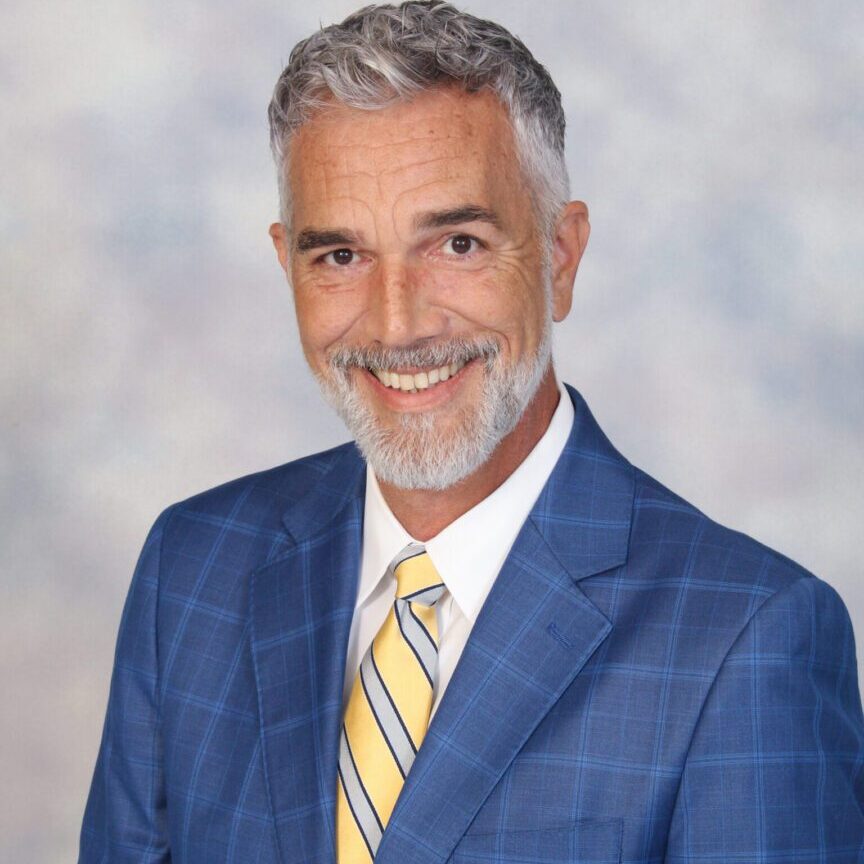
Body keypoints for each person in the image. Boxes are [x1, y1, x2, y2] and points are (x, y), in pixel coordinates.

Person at [79, 2, 864, 862]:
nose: (397, 323)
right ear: (285, 263)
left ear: (560, 258)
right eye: (340, 256)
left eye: (456, 243)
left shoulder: (748, 640)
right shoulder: (192, 571)